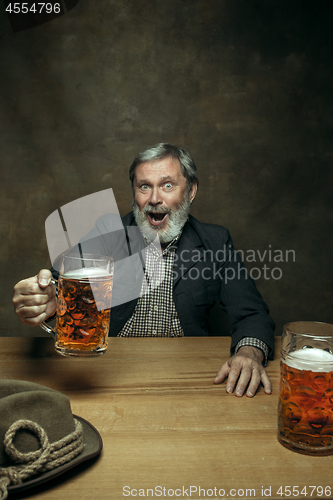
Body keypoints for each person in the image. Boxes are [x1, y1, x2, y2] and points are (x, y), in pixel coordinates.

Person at [13, 143, 275, 397]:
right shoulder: (108, 232)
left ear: (191, 191)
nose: (154, 199)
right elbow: (59, 284)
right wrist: (42, 299)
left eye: (167, 185)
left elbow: (251, 312)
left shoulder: (215, 240)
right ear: (134, 193)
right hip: (109, 372)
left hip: (189, 374)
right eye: (144, 187)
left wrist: (250, 352)